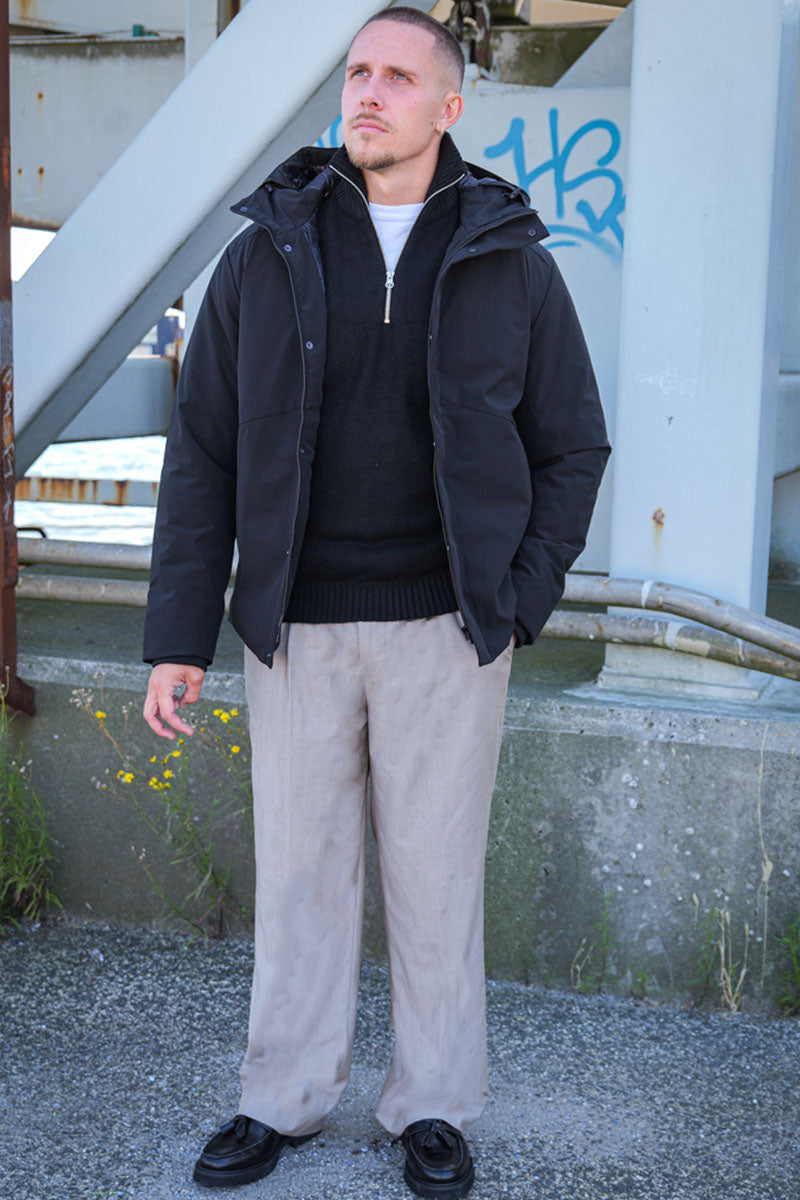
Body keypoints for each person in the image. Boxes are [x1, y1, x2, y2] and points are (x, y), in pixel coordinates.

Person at [142, 8, 610, 1197]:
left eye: (398, 77)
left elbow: (571, 444)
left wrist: (517, 598)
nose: (368, 92)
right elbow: (202, 453)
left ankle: (432, 1106)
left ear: (447, 107)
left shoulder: (510, 259)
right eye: (357, 71)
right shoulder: (266, 252)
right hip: (295, 624)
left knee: (435, 878)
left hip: (446, 626)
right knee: (300, 874)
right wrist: (178, 636)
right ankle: (281, 1100)